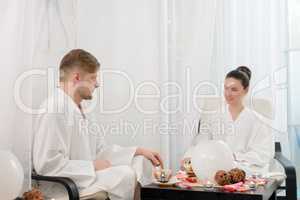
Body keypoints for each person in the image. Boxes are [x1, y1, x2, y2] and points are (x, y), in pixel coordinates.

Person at [32, 49, 163, 200]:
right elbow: (48, 165)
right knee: (125, 174)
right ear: (76, 78)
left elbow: (100, 151)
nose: (97, 84)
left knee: (140, 163)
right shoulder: (54, 109)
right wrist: (92, 166)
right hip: (65, 187)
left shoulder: (84, 109)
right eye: (93, 78)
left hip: (86, 177)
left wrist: (138, 151)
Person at [182, 66, 284, 177]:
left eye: (234, 89)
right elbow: (201, 141)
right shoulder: (214, 116)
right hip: (215, 168)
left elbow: (263, 153)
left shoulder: (258, 121)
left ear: (246, 90)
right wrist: (190, 155)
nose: (228, 93)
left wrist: (234, 157)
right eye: (226, 88)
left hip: (244, 169)